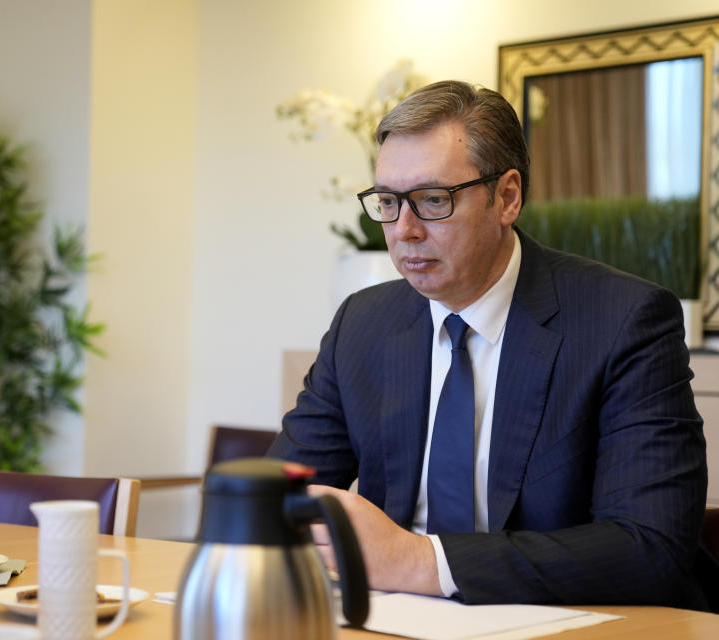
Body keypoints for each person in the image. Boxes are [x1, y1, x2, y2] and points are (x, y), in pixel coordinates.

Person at [268, 79, 715, 610]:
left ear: (506, 197)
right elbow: (277, 500)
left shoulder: (623, 322)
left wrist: (416, 560)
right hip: (394, 618)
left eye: (433, 200)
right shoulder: (362, 324)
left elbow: (649, 549)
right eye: (388, 201)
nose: (404, 230)